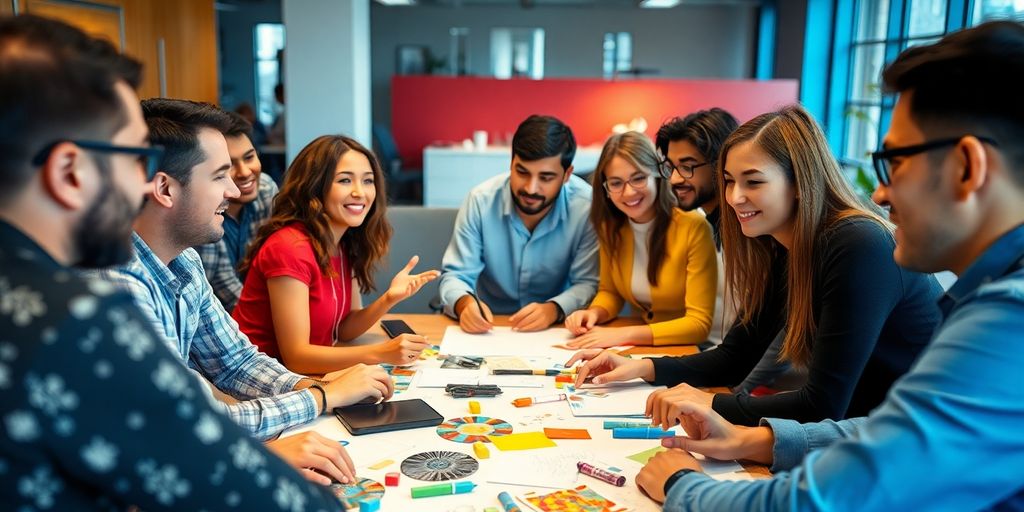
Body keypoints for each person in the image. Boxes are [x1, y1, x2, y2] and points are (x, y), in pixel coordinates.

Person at [634, 21, 1024, 510]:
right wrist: (754, 440)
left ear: (968, 167)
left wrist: (683, 486)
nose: (880, 193)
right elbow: (883, 434)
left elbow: (832, 493)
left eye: (894, 162)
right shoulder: (989, 297)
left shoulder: (1005, 317)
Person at [0, 15, 345, 509]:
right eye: (133, 157)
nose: (142, 182)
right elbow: (254, 485)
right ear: (68, 172)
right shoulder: (78, 316)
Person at [567, 104, 943, 426]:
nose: (734, 197)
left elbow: (822, 405)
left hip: (915, 442)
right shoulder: (784, 245)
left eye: (753, 182)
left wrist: (709, 404)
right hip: (866, 431)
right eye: (729, 181)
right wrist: (642, 368)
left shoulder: (856, 243)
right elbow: (735, 358)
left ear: (799, 182)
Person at [95, 98, 394, 443]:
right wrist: (323, 397)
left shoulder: (185, 261)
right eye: (220, 175)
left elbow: (235, 363)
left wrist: (326, 388)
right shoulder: (117, 286)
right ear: (164, 189)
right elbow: (190, 423)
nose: (234, 190)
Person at [232, 135, 437, 374]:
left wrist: (389, 298)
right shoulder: (289, 247)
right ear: (315, 186)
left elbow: (345, 329)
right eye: (345, 180)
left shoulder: (342, 242)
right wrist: (381, 353)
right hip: (258, 380)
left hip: (302, 377)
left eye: (368, 181)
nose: (360, 192)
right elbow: (297, 357)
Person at [657, 109, 790, 392]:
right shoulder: (716, 225)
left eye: (688, 166)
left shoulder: (760, 232)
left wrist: (731, 392)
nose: (675, 180)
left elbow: (775, 336)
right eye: (671, 167)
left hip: (764, 387)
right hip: (723, 364)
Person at [438, 115, 599, 333]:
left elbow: (587, 283)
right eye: (522, 172)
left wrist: (553, 309)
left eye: (546, 178)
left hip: (556, 328)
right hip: (488, 326)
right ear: (511, 164)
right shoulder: (480, 200)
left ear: (567, 175)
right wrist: (465, 305)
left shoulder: (587, 207)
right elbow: (456, 275)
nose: (531, 188)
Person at [562, 131, 717, 348]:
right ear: (605, 189)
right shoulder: (611, 228)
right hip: (643, 348)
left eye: (638, 178)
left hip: (687, 348)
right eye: (616, 183)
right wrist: (594, 313)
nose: (628, 192)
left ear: (657, 175)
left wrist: (623, 335)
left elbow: (699, 325)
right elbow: (610, 291)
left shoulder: (694, 227)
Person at [195, 111, 278, 311]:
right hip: (213, 319)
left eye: (249, 157)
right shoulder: (203, 208)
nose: (245, 172)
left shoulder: (265, 190)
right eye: (230, 165)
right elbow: (225, 288)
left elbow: (278, 261)